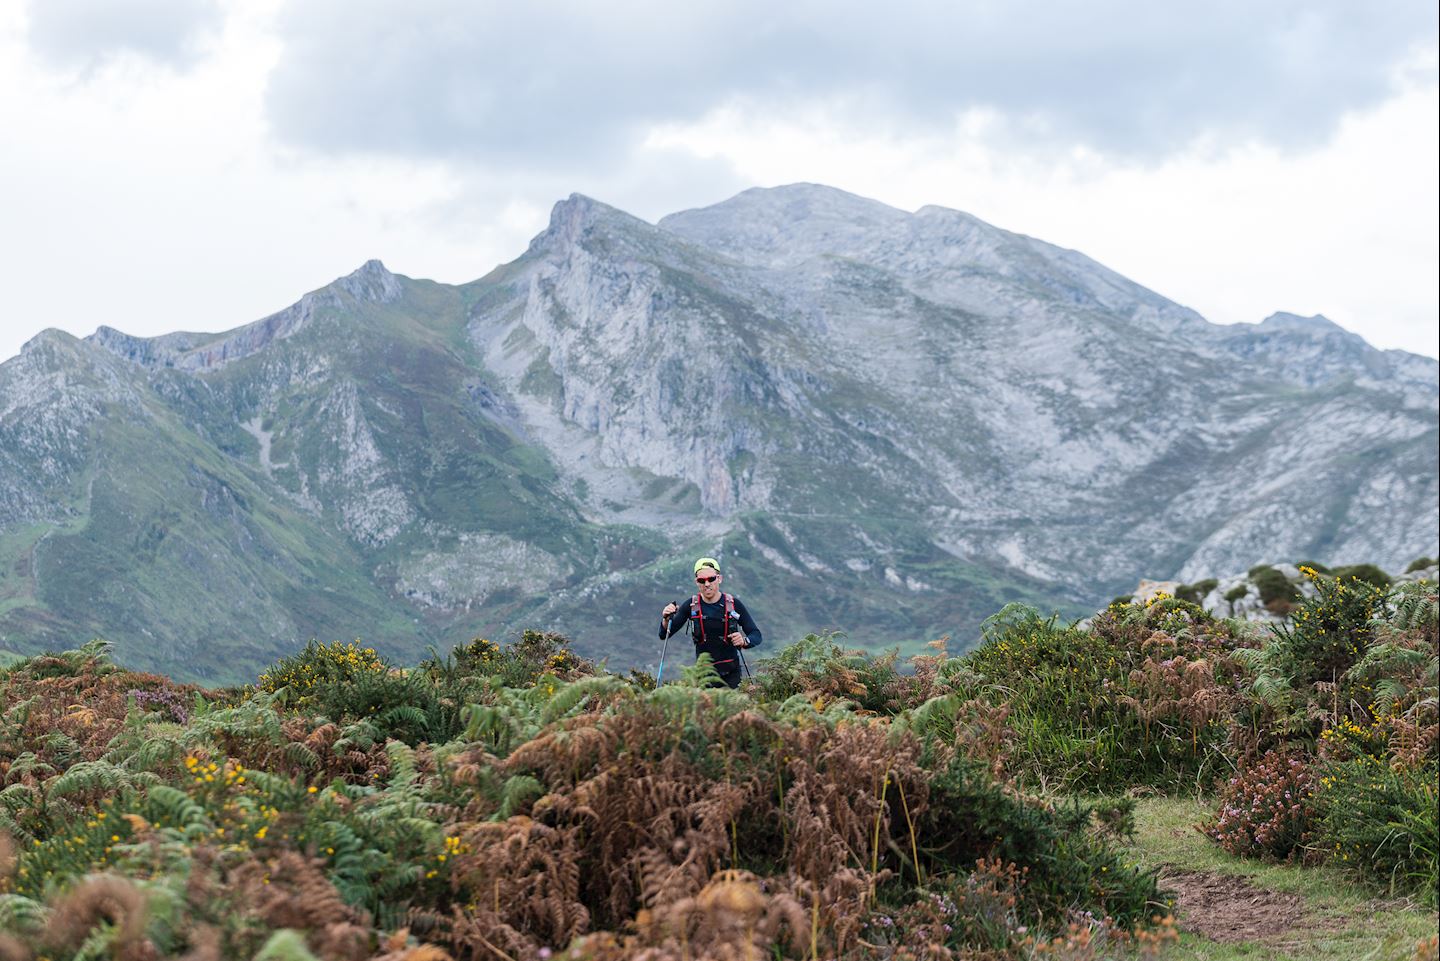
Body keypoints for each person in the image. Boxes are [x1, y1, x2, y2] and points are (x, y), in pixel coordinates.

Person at [659, 557, 762, 688]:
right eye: (702, 580)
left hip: (732, 676)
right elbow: (664, 634)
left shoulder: (733, 604)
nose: (707, 584)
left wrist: (744, 641)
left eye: (711, 579)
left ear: (719, 578)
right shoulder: (690, 606)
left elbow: (756, 634)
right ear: (696, 582)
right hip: (704, 677)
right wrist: (666, 619)